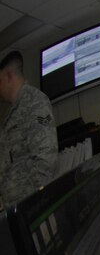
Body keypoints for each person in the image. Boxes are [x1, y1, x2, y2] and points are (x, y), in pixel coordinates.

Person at [0, 50, 57, 207]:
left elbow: (46, 156)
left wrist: (37, 203)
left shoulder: (35, 102)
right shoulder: (11, 113)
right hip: (15, 206)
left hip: (33, 207)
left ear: (9, 76)